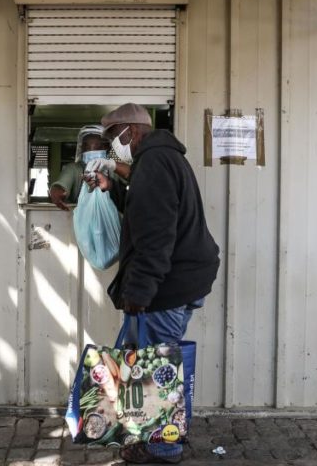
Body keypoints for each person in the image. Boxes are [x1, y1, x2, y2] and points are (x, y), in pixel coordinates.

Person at [85, 103, 220, 464]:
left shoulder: (154, 164)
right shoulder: (161, 157)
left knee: (156, 369)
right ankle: (164, 435)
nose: (113, 145)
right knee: (158, 363)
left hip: (167, 285)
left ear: (132, 130)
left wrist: (138, 294)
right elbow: (150, 204)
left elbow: (156, 237)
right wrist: (113, 181)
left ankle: (163, 447)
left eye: (114, 136)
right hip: (185, 278)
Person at [48, 124, 109, 211]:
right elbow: (60, 186)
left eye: (98, 148)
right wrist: (56, 193)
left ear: (107, 148)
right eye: (87, 148)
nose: (91, 151)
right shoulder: (73, 169)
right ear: (82, 149)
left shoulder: (114, 170)